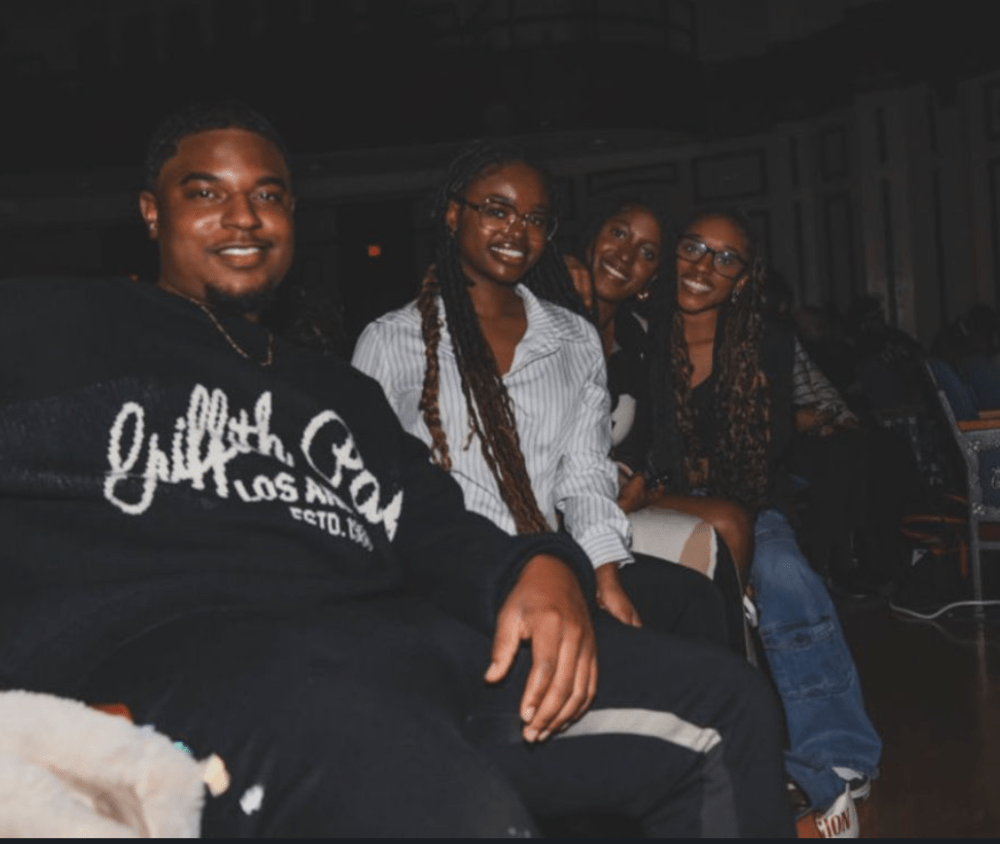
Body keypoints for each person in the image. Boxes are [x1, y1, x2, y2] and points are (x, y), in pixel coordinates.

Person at [0, 103, 793, 837]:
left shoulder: (333, 387)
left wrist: (539, 567)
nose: (243, 216)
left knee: (729, 705)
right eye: (207, 192)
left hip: (408, 640)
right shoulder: (70, 326)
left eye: (268, 195)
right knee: (457, 810)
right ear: (152, 212)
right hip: (216, 664)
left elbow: (430, 517)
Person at [353, 142, 731, 646]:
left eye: (534, 218)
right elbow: (365, 488)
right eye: (496, 210)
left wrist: (604, 573)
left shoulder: (573, 337)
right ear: (451, 215)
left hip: (551, 562)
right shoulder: (390, 340)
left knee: (695, 604)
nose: (517, 231)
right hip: (446, 577)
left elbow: (585, 473)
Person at [646, 207, 882, 835]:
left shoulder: (768, 344)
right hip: (656, 498)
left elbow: (763, 457)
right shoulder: (640, 332)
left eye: (726, 258)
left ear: (745, 279)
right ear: (671, 251)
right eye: (693, 247)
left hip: (747, 499)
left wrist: (739, 542)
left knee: (784, 573)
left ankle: (838, 752)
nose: (704, 267)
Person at [568, 196, 750, 654]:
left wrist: (642, 482)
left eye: (648, 253)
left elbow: (650, 437)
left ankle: (735, 666)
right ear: (591, 236)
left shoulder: (639, 337)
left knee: (733, 523)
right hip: (561, 506)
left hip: (619, 496)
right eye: (619, 233)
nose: (627, 256)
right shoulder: (546, 317)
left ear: (652, 278)